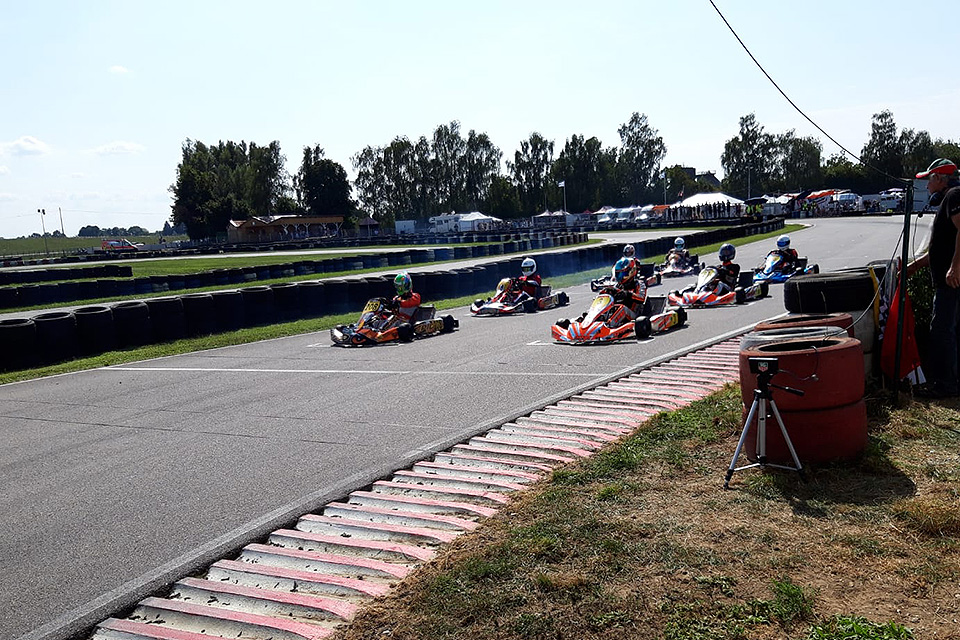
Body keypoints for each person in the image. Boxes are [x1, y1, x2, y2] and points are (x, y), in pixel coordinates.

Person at [908, 158, 960, 398]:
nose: (927, 186)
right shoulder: (949, 199)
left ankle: (945, 384)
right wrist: (913, 267)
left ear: (940, 178)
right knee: (948, 330)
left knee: (941, 331)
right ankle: (950, 380)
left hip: (951, 281)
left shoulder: (954, 196)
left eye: (929, 179)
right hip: (948, 279)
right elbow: (939, 248)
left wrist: (954, 267)